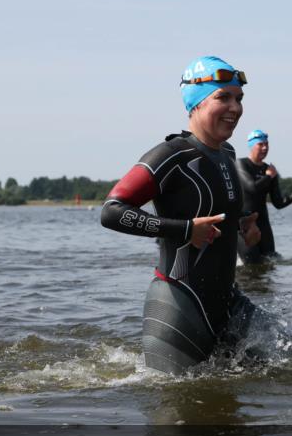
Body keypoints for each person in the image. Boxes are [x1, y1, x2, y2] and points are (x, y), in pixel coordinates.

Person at [100, 56, 262, 374]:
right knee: (174, 400)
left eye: (239, 98)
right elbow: (112, 211)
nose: (235, 108)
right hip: (178, 305)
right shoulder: (170, 156)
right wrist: (186, 229)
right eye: (223, 97)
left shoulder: (227, 154)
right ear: (196, 103)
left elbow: (214, 209)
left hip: (227, 301)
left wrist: (243, 224)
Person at [236, 130, 292, 264]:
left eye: (267, 144)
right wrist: (268, 176)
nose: (265, 148)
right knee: (251, 263)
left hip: (263, 223)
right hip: (244, 223)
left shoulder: (269, 169)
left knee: (270, 260)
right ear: (251, 146)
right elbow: (251, 188)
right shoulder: (240, 164)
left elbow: (278, 203)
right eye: (261, 144)